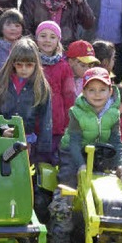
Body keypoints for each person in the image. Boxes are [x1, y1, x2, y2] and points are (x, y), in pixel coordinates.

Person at [48, 67, 122, 243]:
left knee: (114, 185)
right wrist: (81, 165)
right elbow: (74, 144)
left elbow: (116, 140)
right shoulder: (77, 112)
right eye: (92, 90)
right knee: (67, 185)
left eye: (102, 90)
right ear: (83, 92)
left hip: (100, 152)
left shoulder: (113, 113)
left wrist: (120, 164)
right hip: (73, 153)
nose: (97, 94)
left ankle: (113, 226)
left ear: (110, 91)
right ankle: (60, 228)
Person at [0, 38, 52, 163]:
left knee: (21, 174)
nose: (24, 69)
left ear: (36, 64)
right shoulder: (0, 82)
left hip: (26, 140)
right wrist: (1, 129)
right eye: (19, 64)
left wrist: (44, 148)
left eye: (29, 65)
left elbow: (46, 118)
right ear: (12, 63)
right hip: (1, 136)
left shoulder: (41, 86)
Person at [35, 21, 75, 159]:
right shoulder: (32, 62)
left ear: (58, 40)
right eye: (43, 36)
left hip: (56, 121)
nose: (47, 40)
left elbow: (69, 95)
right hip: (35, 118)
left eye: (52, 37)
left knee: (52, 157)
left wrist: (67, 123)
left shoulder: (64, 66)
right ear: (36, 38)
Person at [0, 8, 24, 82]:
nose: (13, 29)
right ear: (1, 28)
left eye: (17, 25)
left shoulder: (26, 50)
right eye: (8, 25)